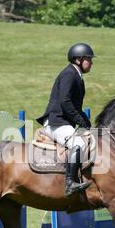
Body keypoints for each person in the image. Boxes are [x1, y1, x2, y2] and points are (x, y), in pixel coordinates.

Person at [36, 43, 95, 196]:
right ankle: (70, 183)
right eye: (89, 59)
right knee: (78, 143)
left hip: (63, 122)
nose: (92, 62)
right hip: (56, 122)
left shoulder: (76, 74)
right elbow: (65, 102)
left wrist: (84, 120)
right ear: (78, 59)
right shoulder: (70, 74)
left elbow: (72, 105)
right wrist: (80, 119)